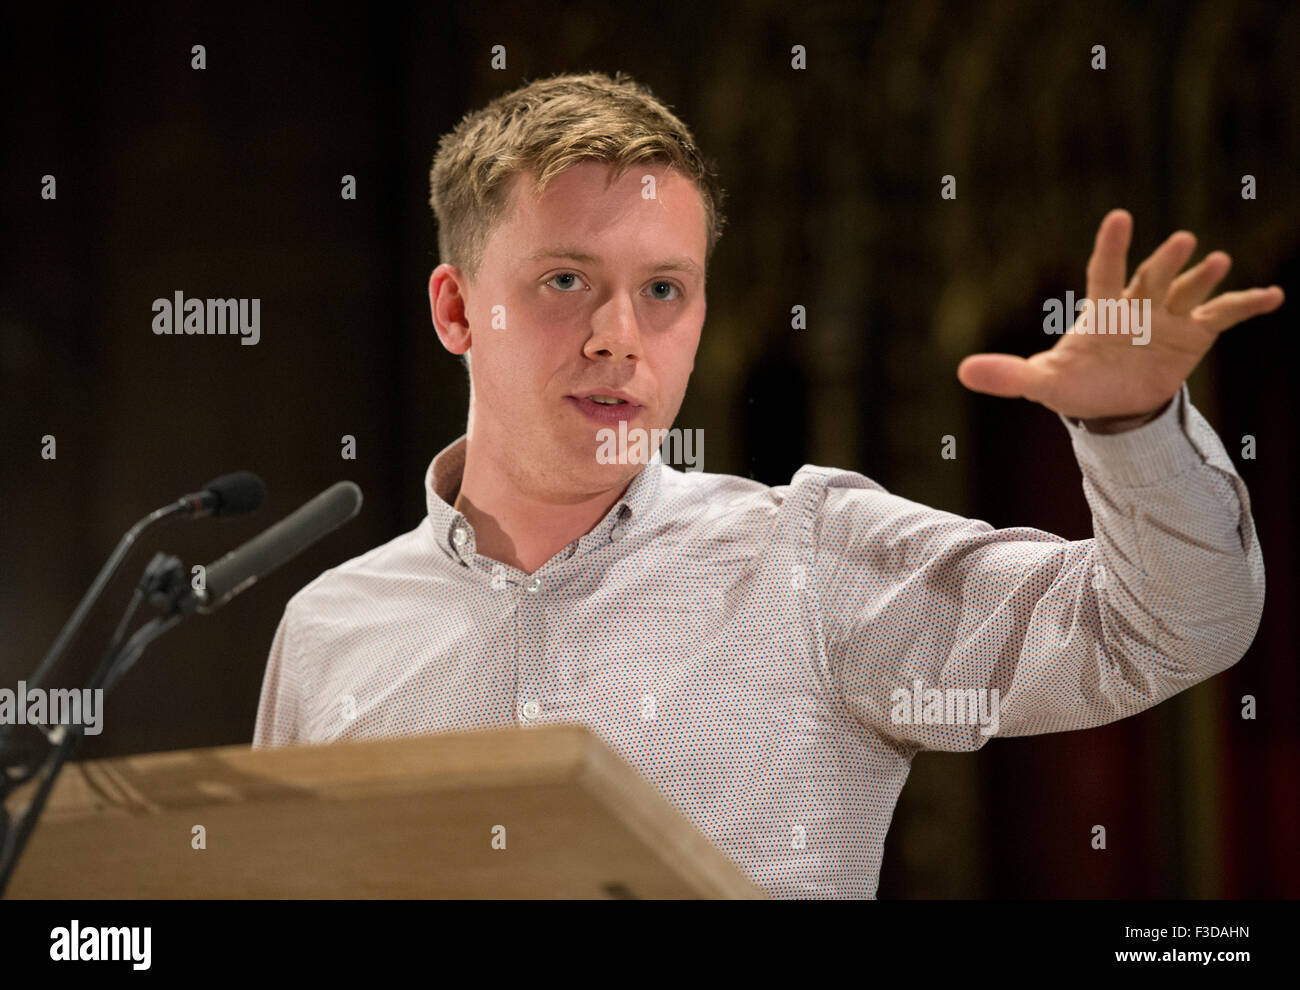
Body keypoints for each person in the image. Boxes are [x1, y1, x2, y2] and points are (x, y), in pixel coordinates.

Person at [253, 70, 1282, 898]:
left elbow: (1168, 627)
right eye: (566, 281)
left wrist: (1133, 426)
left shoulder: (811, 560)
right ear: (456, 310)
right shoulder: (330, 630)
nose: (620, 337)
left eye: (663, 290)